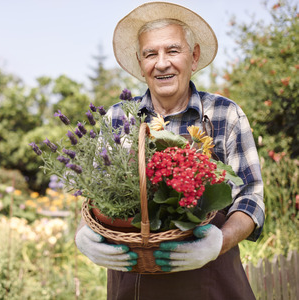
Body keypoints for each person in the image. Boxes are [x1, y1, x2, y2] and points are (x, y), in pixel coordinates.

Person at [75, 2, 264, 299]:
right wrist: (85, 234)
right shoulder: (118, 119)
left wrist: (218, 242)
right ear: (141, 63)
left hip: (213, 283)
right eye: (151, 54)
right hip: (134, 285)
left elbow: (251, 198)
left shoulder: (224, 114)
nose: (162, 63)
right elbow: (95, 198)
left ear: (194, 56)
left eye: (173, 51)